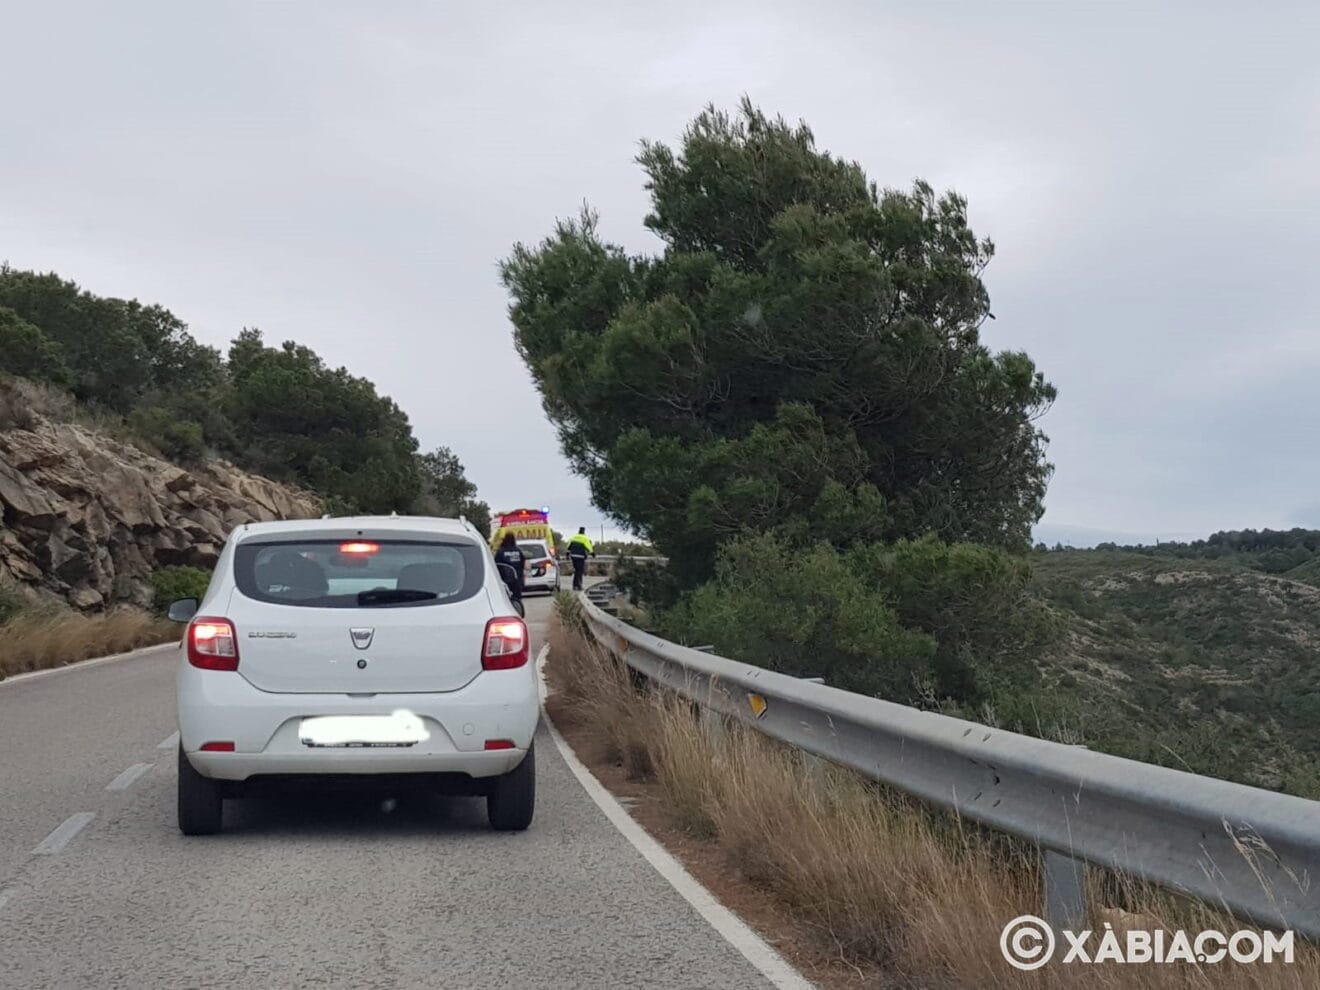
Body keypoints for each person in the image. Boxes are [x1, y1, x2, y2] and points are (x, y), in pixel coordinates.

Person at [494, 532, 525, 603]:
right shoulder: (518, 551)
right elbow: (522, 564)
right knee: (517, 599)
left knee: (505, 600)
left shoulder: (501, 551)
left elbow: (496, 565)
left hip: (504, 580)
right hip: (517, 579)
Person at [567, 527, 595, 591]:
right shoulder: (585, 538)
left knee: (577, 571)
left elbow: (568, 546)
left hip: (573, 556)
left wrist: (567, 554)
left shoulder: (573, 537)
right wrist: (592, 553)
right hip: (580, 557)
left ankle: (575, 585)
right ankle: (579, 585)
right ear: (583, 531)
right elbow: (589, 547)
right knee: (579, 571)